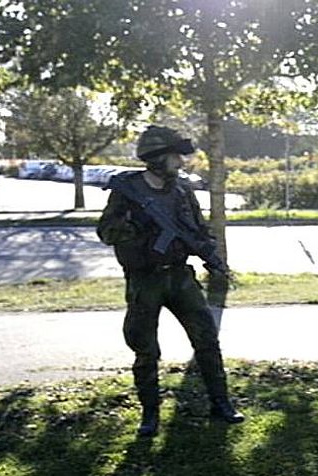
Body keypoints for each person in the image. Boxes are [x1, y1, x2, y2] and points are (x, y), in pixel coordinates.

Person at [97, 125, 244, 437]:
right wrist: (138, 228)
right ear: (157, 157)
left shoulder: (181, 190)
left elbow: (198, 229)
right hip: (144, 281)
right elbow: (106, 231)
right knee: (146, 349)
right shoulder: (127, 189)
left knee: (207, 339)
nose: (180, 162)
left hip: (180, 277)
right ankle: (150, 415)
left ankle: (221, 403)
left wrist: (210, 255)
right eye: (175, 156)